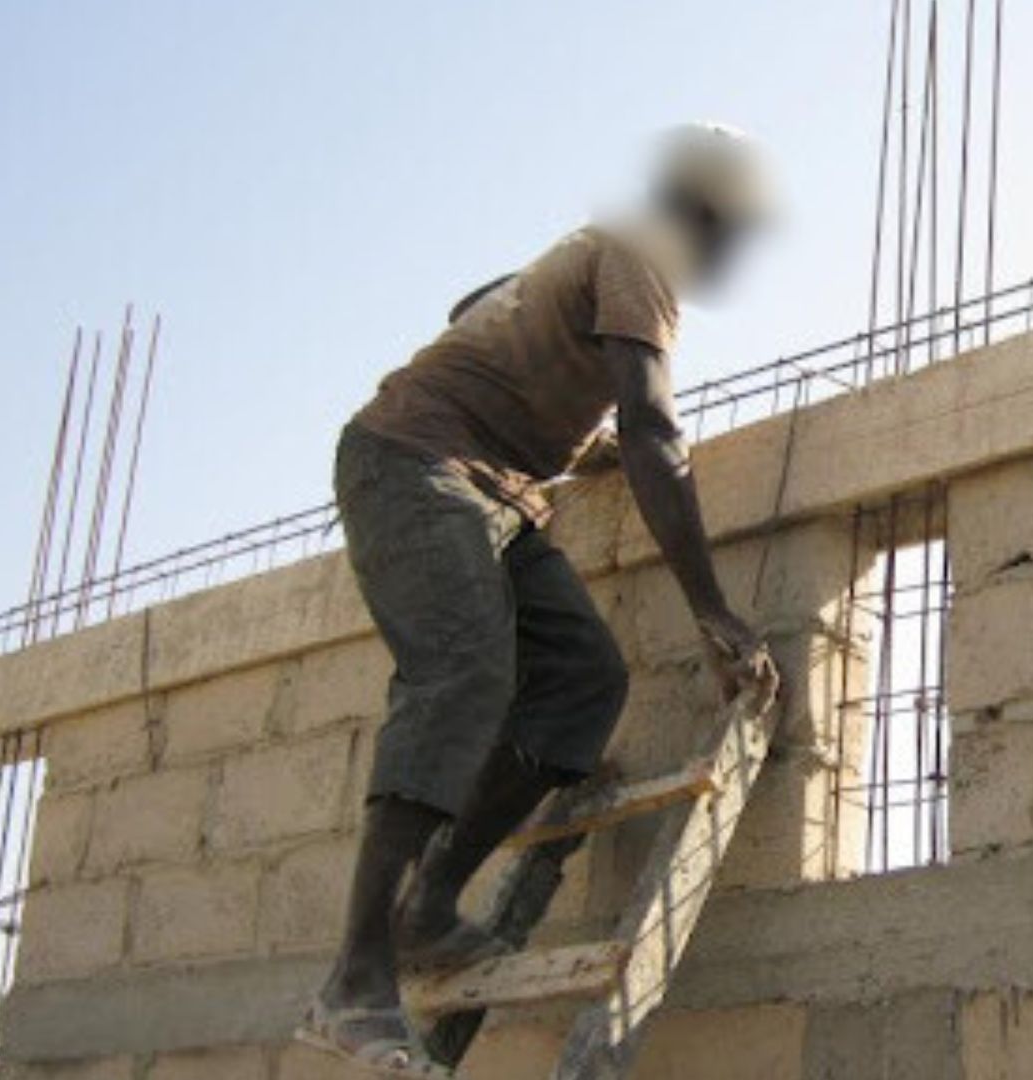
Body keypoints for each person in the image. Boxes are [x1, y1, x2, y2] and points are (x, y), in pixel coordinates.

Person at [296, 123, 780, 1078]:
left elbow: (475, 303)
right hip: (413, 460)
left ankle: (428, 906)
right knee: (464, 673)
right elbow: (654, 430)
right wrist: (714, 612)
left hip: (499, 493)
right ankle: (354, 979)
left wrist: (560, 431)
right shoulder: (647, 253)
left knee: (582, 680)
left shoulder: (587, 251)